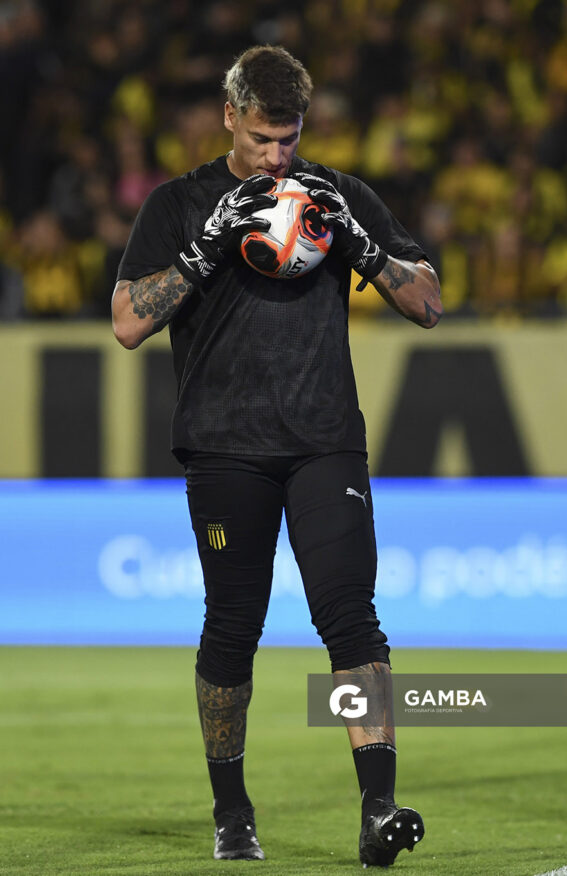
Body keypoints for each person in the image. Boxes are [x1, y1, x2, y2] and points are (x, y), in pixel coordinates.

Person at [111, 45, 442, 867]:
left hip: (325, 440)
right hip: (225, 444)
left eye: (288, 139)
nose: (276, 156)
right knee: (233, 628)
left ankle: (377, 808)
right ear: (230, 116)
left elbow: (428, 300)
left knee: (351, 617)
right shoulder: (180, 203)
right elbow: (125, 322)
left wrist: (362, 246)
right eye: (262, 138)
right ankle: (232, 811)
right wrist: (205, 250)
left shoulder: (336, 196)